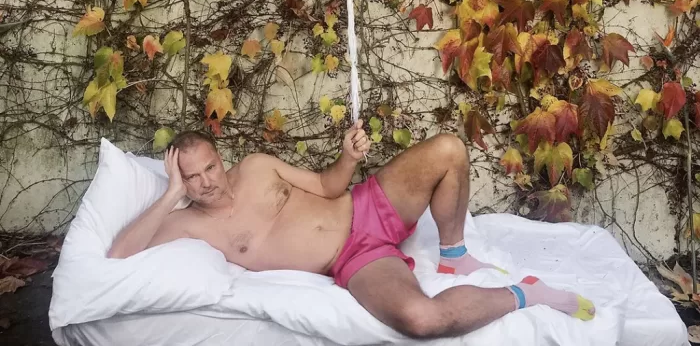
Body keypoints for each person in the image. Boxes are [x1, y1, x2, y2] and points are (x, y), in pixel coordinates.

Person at [108, 122, 595, 338]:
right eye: (190, 177)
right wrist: (171, 193)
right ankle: (530, 294)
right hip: (355, 260)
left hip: (365, 206)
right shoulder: (188, 223)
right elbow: (119, 253)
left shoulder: (255, 167)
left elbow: (326, 184)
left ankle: (455, 252)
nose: (204, 182)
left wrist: (348, 157)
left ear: (221, 157)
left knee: (449, 148)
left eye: (208, 168)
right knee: (422, 320)